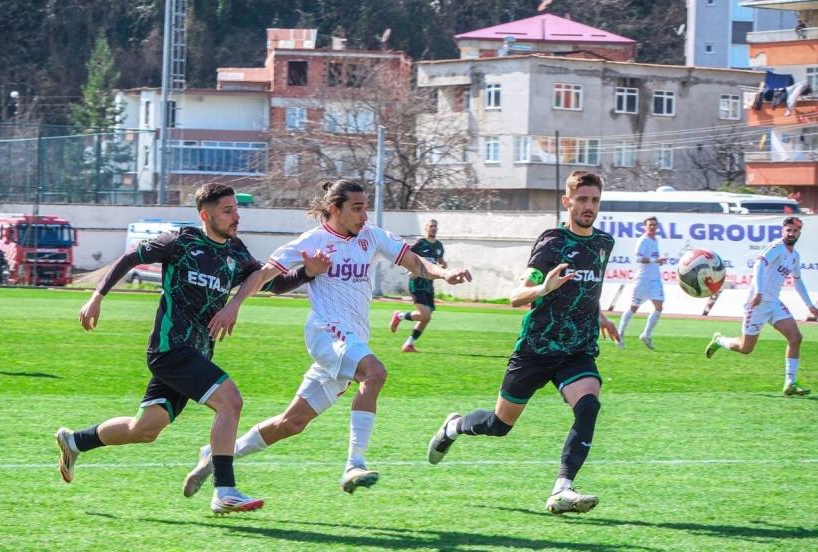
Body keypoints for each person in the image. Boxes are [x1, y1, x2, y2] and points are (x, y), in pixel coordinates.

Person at [182, 179, 472, 499]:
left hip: (351, 341)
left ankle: (216, 456)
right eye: (357, 208)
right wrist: (234, 305)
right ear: (335, 208)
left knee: (291, 423)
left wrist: (444, 273)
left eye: (365, 207)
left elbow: (414, 262)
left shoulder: (372, 236)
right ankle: (354, 464)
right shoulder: (313, 241)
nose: (364, 215)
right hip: (325, 332)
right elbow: (262, 275)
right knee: (375, 373)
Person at [54, 183, 329, 514]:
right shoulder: (180, 242)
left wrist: (307, 273)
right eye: (227, 211)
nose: (236, 217)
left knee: (145, 429)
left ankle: (75, 441)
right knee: (230, 401)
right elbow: (130, 258)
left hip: (196, 354)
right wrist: (97, 297)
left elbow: (271, 283)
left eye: (236, 210)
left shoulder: (237, 252)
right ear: (205, 215)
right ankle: (224, 490)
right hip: (171, 349)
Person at [426, 170, 619, 515]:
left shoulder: (604, 243)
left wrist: (600, 315)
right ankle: (453, 427)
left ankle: (562, 488)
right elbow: (517, 296)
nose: (589, 206)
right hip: (536, 349)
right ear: (567, 201)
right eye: (582, 199)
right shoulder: (552, 242)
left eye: (594, 200)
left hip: (577, 350)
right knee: (500, 425)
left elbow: (587, 289)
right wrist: (544, 288)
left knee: (589, 406)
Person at [706, 216, 818, 396]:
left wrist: (810, 305)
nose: (791, 233)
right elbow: (759, 263)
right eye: (788, 230)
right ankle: (720, 340)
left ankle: (790, 384)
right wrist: (758, 291)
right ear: (783, 231)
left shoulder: (795, 256)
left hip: (774, 303)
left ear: (799, 233)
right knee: (746, 348)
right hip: (757, 303)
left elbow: (797, 281)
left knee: (796, 338)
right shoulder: (777, 247)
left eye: (795, 231)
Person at [390, 219, 447, 352]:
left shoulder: (439, 246)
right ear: (426, 228)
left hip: (429, 286)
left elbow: (440, 260)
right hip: (417, 284)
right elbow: (404, 256)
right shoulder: (419, 244)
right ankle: (399, 316)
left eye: (435, 226)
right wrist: (409, 270)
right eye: (431, 226)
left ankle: (408, 344)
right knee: (425, 315)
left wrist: (443, 265)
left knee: (426, 318)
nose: (434, 228)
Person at [617, 216, 667, 351]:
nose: (652, 227)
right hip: (643, 280)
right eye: (650, 225)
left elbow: (652, 259)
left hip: (655, 279)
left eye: (654, 225)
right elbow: (638, 258)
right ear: (645, 227)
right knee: (634, 307)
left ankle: (646, 335)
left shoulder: (655, 240)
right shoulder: (643, 240)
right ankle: (620, 333)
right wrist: (655, 260)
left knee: (659, 307)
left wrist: (658, 261)